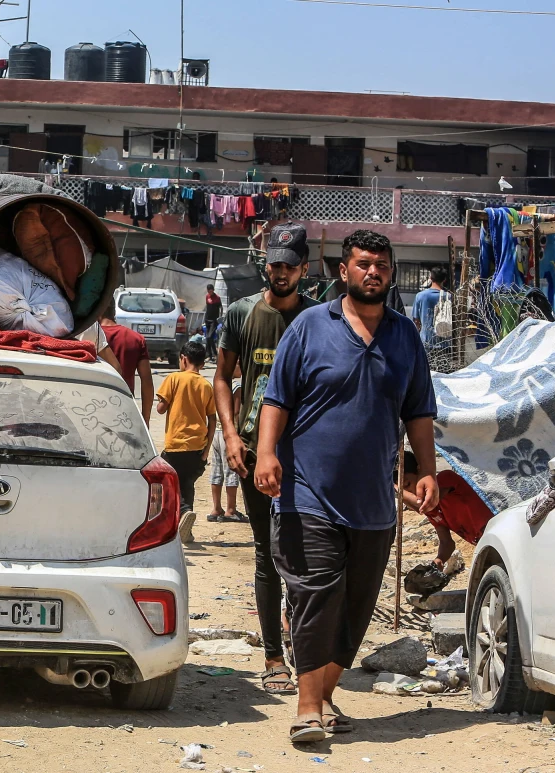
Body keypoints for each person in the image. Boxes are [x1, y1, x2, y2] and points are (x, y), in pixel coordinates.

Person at [255, 229, 438, 743]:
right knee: (318, 594)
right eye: (363, 263)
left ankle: (326, 692)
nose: (373, 271)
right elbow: (277, 399)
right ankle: (307, 708)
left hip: (375, 502)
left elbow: (420, 410)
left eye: (381, 264)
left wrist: (427, 470)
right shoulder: (311, 327)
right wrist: (267, 452)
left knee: (356, 608)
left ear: (391, 272)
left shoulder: (405, 337)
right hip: (307, 495)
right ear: (343, 271)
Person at [214, 221, 320, 698]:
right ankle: (274, 655)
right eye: (274, 264)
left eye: (288, 266)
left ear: (304, 270)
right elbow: (222, 378)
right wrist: (231, 436)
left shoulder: (319, 319)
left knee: (306, 556)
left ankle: (305, 646)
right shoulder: (240, 313)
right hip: (255, 452)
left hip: (308, 457)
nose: (279, 272)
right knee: (265, 555)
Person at [155, 340, 216, 544]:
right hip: (198, 446)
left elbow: (160, 409)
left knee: (171, 484)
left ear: (184, 359)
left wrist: (165, 400)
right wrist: (207, 450)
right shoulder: (206, 385)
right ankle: (186, 530)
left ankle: (182, 514)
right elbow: (212, 418)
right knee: (187, 483)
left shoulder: (173, 378)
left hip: (175, 444)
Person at [399, 451, 491, 569]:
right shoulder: (432, 512)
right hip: (488, 546)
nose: (409, 494)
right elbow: (447, 542)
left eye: (407, 484)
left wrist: (395, 489)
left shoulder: (445, 478)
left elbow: (423, 503)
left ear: (420, 470)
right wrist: (439, 559)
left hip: (504, 535)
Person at [100, 302, 154, 426]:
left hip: (94, 407)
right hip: (125, 408)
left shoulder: (88, 337)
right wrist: (145, 419)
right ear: (114, 311)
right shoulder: (136, 338)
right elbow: (147, 381)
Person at [208, 379, 245, 522]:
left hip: (217, 432)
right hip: (229, 434)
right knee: (231, 471)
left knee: (217, 471)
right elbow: (236, 411)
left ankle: (216, 508)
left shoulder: (219, 384)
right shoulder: (237, 386)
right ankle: (231, 509)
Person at [411, 265, 450, 347]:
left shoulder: (420, 296)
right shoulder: (449, 297)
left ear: (430, 278)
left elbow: (416, 321)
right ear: (444, 279)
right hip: (444, 343)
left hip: (426, 342)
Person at [204, 283, 223, 362]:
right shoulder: (207, 296)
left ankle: (214, 354)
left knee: (209, 337)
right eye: (209, 291)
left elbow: (221, 307)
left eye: (211, 290)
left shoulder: (217, 298)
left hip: (214, 320)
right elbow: (207, 307)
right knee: (208, 338)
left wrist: (220, 318)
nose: (210, 292)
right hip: (207, 319)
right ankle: (210, 355)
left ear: (213, 290)